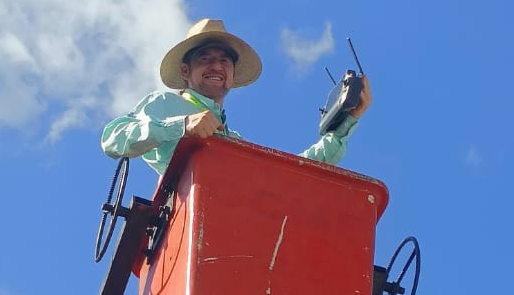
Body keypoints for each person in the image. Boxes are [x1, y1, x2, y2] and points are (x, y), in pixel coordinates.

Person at [101, 17, 372, 179]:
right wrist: (182, 125)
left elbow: (288, 173)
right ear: (185, 71)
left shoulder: (234, 141)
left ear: (231, 73)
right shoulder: (165, 104)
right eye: (204, 58)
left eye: (224, 60)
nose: (216, 66)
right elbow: (113, 138)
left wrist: (344, 125)